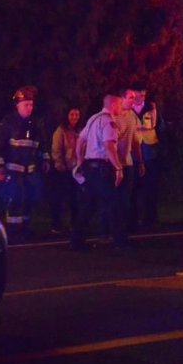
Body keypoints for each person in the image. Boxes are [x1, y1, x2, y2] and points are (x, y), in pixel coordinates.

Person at [0, 85, 50, 242]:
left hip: (29, 172)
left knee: (29, 200)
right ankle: (12, 232)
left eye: (31, 104)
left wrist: (45, 158)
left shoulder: (35, 123)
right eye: (26, 105)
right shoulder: (9, 122)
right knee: (14, 201)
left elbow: (42, 143)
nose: (29, 108)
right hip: (13, 171)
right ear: (17, 105)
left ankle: (25, 230)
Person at [71, 93, 128, 251]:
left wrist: (81, 159)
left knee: (89, 205)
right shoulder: (108, 121)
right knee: (113, 203)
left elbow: (80, 140)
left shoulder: (93, 118)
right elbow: (109, 146)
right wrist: (118, 167)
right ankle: (120, 242)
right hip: (101, 168)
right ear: (113, 105)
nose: (121, 107)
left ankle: (76, 240)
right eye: (120, 104)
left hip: (90, 167)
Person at [128, 85, 167, 229]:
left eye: (143, 95)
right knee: (133, 189)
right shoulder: (127, 111)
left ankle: (151, 219)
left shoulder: (151, 110)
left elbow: (160, 128)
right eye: (137, 95)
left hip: (150, 153)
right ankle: (132, 220)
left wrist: (161, 150)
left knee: (151, 188)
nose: (140, 98)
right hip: (133, 154)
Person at [48, 107, 81, 234]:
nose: (74, 117)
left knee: (75, 198)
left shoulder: (80, 130)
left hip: (77, 169)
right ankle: (56, 224)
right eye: (72, 114)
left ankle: (75, 223)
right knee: (59, 198)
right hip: (63, 169)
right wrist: (59, 163)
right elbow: (56, 148)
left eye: (77, 114)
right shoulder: (61, 130)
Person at [116, 88, 140, 231]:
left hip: (128, 162)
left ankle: (124, 227)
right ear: (122, 98)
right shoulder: (114, 115)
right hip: (114, 163)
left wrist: (140, 160)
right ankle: (107, 230)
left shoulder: (133, 116)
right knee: (113, 197)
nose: (134, 100)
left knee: (126, 197)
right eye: (131, 97)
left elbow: (136, 140)